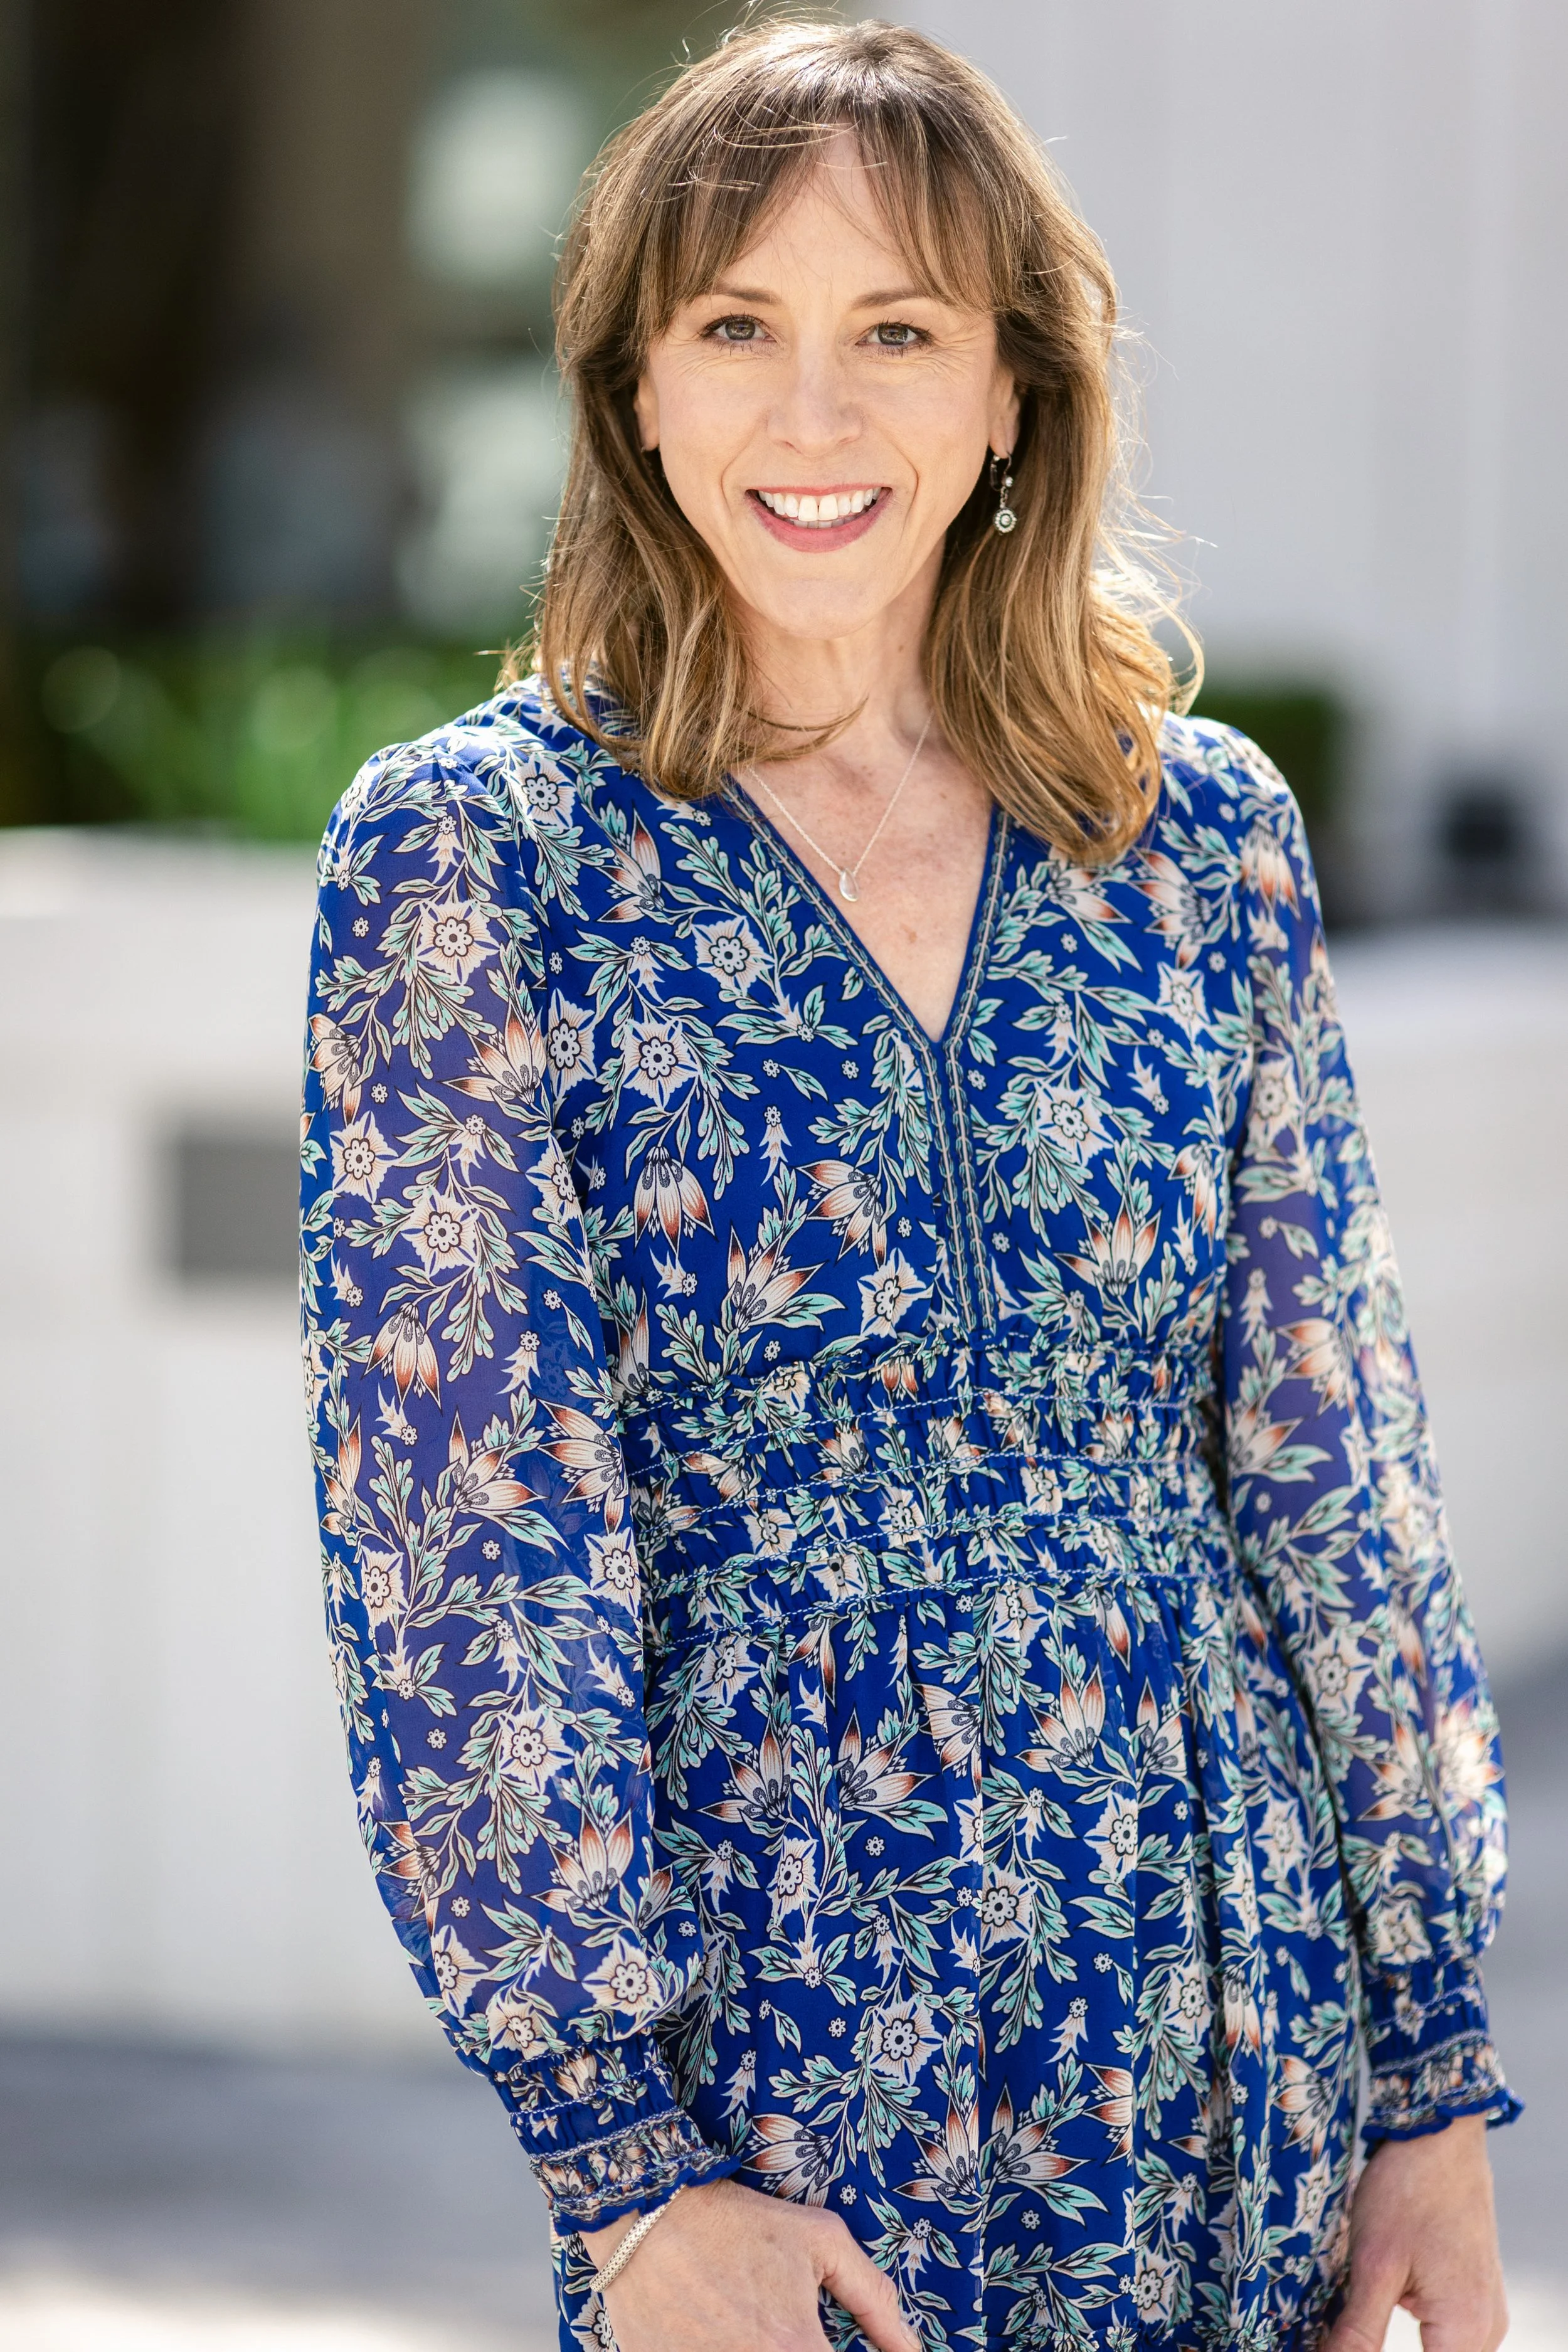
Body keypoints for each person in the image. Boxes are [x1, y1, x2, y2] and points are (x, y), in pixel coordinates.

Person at [300, 21, 1518, 2352]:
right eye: (735, 330)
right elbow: (462, 1542)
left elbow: (1336, 1476)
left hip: (1228, 2032)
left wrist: (1430, 2090)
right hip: (788, 2097)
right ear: (632, 391)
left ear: (1008, 399)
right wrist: (628, 2177)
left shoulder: (1200, 845)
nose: (816, 416)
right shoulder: (477, 860)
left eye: (897, 334)